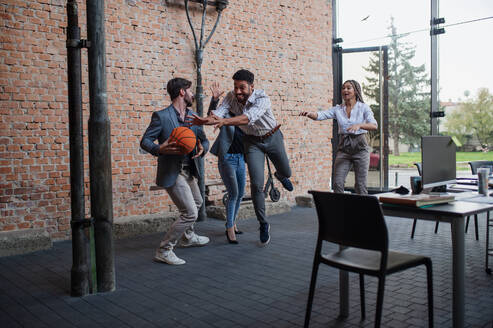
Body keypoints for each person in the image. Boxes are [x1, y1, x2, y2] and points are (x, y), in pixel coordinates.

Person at [188, 69, 293, 246]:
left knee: (286, 171)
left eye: (242, 88)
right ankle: (263, 224)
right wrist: (204, 121)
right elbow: (218, 115)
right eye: (235, 87)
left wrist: (224, 122)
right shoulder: (231, 97)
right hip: (252, 143)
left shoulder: (262, 99)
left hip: (272, 136)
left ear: (252, 87)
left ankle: (281, 175)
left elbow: (247, 118)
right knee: (256, 184)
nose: (237, 91)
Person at [140, 77, 210, 265]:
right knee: (190, 213)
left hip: (189, 170)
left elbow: (203, 140)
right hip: (172, 171)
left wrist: (204, 147)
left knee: (197, 201)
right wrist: (158, 149)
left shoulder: (193, 117)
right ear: (182, 92)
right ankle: (164, 250)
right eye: (190, 90)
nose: (192, 94)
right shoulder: (161, 116)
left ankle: (187, 237)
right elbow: (145, 141)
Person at [299, 79, 377, 194]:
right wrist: (311, 114)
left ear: (355, 91)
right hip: (344, 148)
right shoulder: (338, 109)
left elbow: (374, 125)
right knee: (337, 183)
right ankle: (340, 210)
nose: (345, 90)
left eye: (348, 88)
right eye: (343, 88)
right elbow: (321, 115)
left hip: (360, 148)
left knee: (360, 185)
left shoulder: (363, 108)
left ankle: (362, 211)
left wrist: (359, 125)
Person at [207, 82, 245, 244]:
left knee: (240, 194)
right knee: (234, 193)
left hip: (241, 158)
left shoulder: (246, 116)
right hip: (227, 158)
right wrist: (215, 100)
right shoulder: (225, 114)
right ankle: (229, 227)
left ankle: (232, 222)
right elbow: (211, 117)